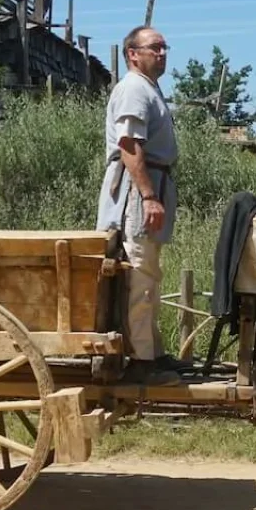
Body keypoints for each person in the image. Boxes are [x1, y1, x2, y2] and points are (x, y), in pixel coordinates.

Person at [96, 25, 181, 383]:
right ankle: (142, 362)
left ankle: (151, 351)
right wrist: (148, 195)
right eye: (154, 48)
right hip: (136, 194)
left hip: (148, 187)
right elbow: (129, 145)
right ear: (133, 53)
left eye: (164, 47)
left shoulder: (147, 88)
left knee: (147, 272)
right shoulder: (133, 88)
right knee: (139, 272)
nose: (161, 54)